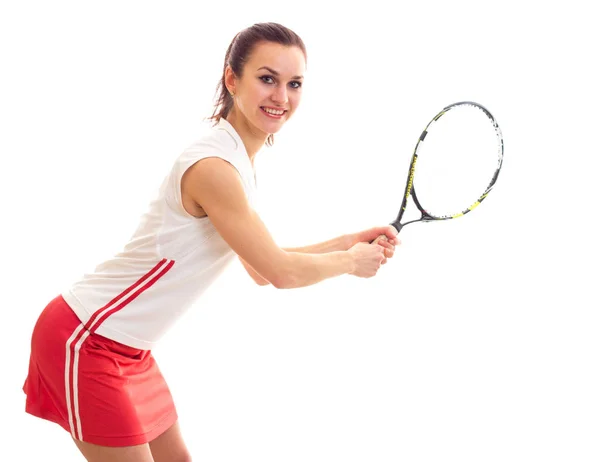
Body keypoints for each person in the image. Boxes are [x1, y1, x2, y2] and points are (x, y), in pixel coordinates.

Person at [22, 22, 399, 462]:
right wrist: (351, 262)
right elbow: (279, 273)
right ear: (232, 79)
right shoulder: (215, 167)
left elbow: (259, 266)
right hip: (86, 339)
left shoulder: (237, 160)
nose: (281, 97)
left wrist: (346, 242)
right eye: (267, 78)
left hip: (131, 351)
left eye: (294, 83)